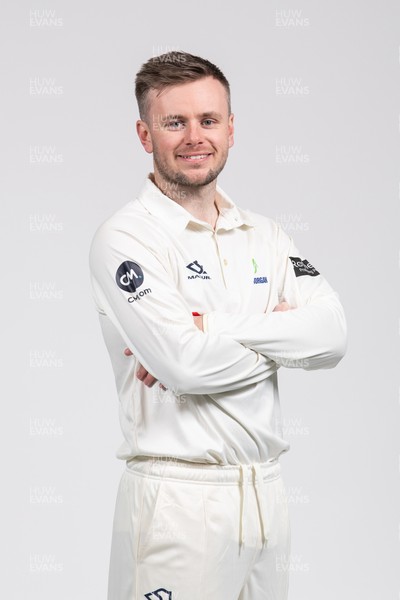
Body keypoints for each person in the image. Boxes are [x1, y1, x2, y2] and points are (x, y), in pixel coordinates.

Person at [88, 51, 347, 600]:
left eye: (208, 120)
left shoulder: (267, 235)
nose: (193, 137)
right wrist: (278, 335)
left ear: (231, 129)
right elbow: (184, 365)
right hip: (178, 500)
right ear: (144, 133)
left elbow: (330, 335)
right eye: (173, 122)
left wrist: (214, 328)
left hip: (266, 496)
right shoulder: (126, 238)